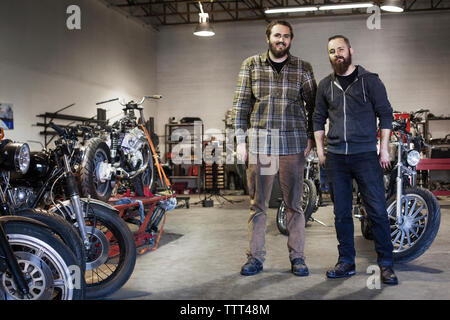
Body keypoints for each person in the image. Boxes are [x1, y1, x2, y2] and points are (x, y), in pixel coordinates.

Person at [232, 20, 317, 276]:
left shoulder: (303, 68)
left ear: (291, 40)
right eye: (277, 35)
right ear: (268, 37)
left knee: (295, 205)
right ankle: (255, 258)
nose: (282, 40)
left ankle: (298, 258)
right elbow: (241, 106)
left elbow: (314, 107)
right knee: (258, 205)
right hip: (260, 146)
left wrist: (312, 137)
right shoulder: (251, 65)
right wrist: (240, 141)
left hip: (293, 144)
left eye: (286, 36)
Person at [313, 35, 398, 285]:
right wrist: (320, 150)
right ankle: (346, 262)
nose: (337, 54)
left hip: (365, 156)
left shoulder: (370, 81)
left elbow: (386, 115)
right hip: (337, 157)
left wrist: (383, 149)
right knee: (341, 214)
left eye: (341, 49)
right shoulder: (325, 85)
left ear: (351, 50)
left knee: (378, 211)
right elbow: (317, 119)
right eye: (331, 51)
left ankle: (386, 264)